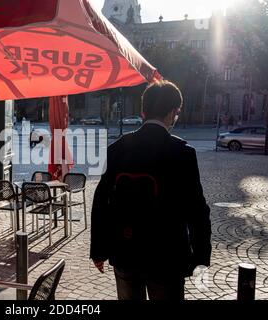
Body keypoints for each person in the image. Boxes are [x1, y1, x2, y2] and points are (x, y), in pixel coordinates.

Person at [90, 80, 211, 300]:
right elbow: (196, 210)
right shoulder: (182, 154)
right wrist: (201, 256)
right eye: (177, 113)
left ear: (144, 111)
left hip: (125, 253)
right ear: (173, 112)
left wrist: (99, 250)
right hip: (166, 258)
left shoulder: (117, 149)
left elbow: (101, 202)